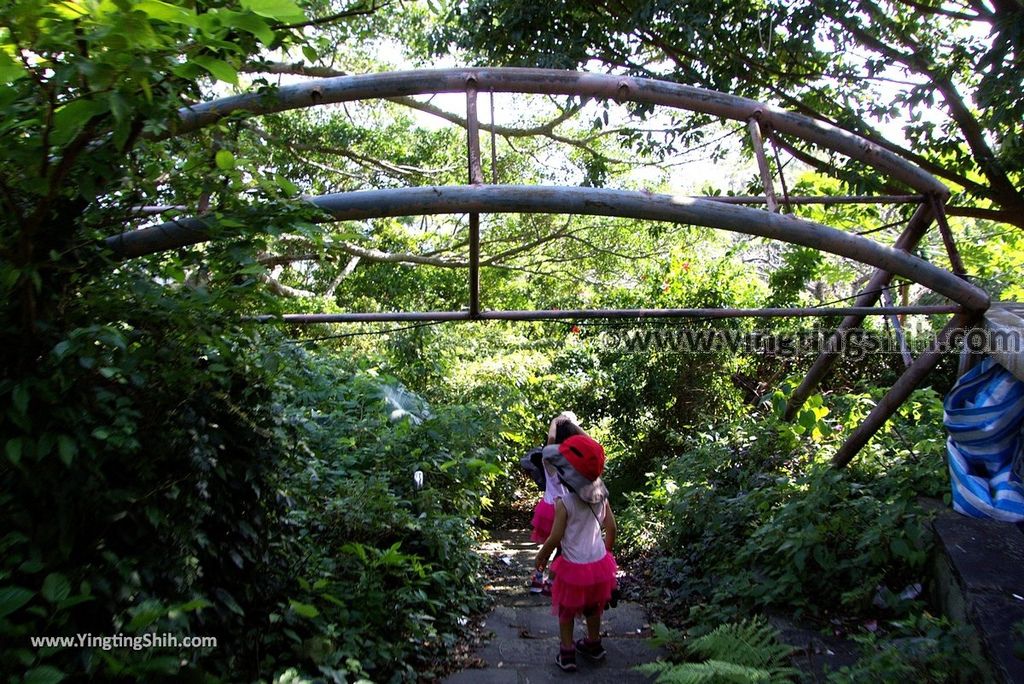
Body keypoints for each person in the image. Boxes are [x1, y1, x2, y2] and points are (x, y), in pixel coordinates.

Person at [535, 433, 617, 672]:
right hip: (598, 563)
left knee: (566, 609)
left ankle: (568, 653)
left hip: (572, 566)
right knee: (593, 607)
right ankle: (593, 644)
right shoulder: (601, 499)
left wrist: (541, 558)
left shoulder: (564, 503)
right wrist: (606, 555)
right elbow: (611, 528)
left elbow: (555, 537)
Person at [523, 413, 586, 594]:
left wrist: (554, 423)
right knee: (563, 548)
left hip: (548, 508)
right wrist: (572, 425)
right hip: (565, 509)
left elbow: (551, 438)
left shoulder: (548, 457)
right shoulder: (573, 458)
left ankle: (538, 578)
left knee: (548, 546)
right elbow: (592, 443)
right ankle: (551, 580)